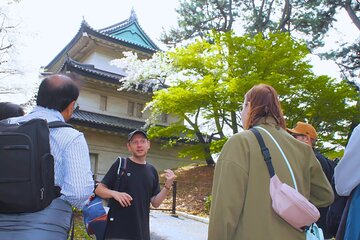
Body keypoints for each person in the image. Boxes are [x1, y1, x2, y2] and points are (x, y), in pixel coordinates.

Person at [208, 83, 334, 240]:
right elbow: (325, 196)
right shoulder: (302, 149)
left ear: (249, 106)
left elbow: (224, 211)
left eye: (242, 107)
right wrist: (291, 202)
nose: (241, 113)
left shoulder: (241, 142)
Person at [0, 73, 94, 239]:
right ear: (71, 105)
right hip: (46, 226)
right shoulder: (71, 137)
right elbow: (79, 193)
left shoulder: (5, 126)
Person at [95, 129, 176, 240]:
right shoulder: (121, 164)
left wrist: (167, 186)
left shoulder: (152, 171)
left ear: (148, 144)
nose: (139, 145)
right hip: (116, 232)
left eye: (142, 141)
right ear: (129, 146)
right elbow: (99, 189)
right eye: (135, 142)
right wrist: (114, 193)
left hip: (141, 232)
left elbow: (155, 202)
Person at [287, 121, 336, 239]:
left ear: (306, 138)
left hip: (316, 229)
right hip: (321, 227)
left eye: (294, 136)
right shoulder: (319, 158)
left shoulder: (314, 161)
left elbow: (317, 195)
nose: (290, 139)